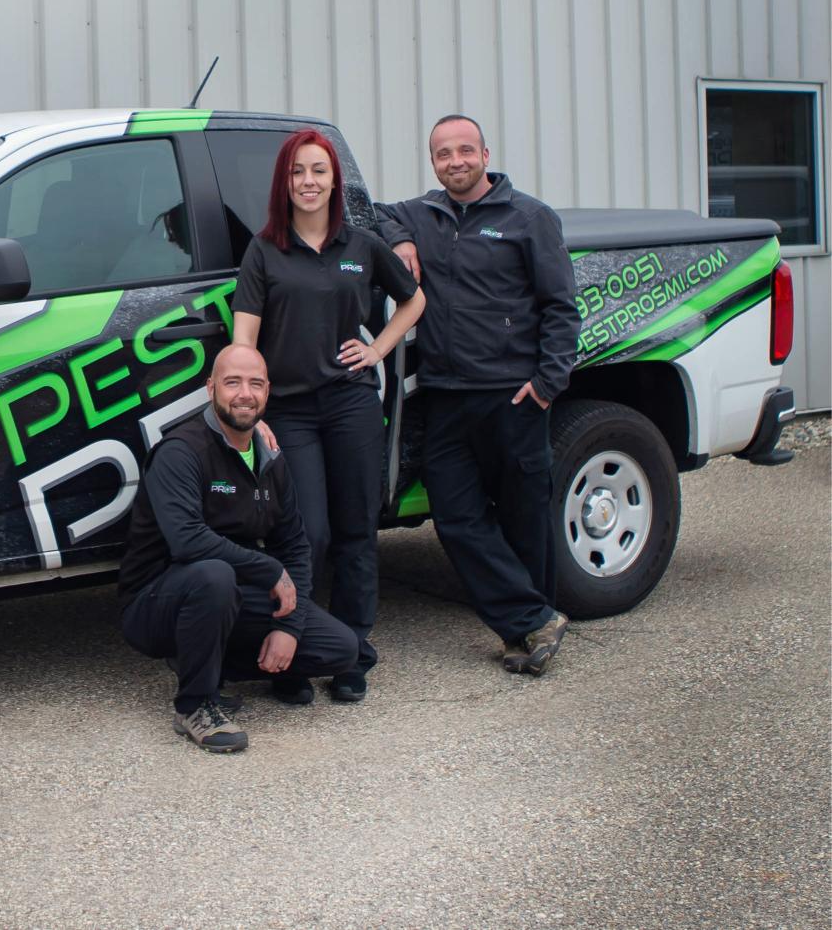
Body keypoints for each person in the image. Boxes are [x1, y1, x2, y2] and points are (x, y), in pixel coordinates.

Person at [377, 114, 581, 675]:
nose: (456, 162)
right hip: (445, 395)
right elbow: (375, 212)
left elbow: (561, 307)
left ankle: (525, 635)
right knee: (455, 515)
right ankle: (535, 618)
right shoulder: (422, 214)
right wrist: (400, 239)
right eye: (443, 154)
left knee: (524, 518)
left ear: (486, 155)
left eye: (465, 150)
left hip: (513, 396)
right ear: (433, 162)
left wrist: (547, 384)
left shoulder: (529, 217)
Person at [231, 129, 425, 705]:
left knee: (356, 531)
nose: (308, 182)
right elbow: (244, 342)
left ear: (335, 180)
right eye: (297, 172)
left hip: (350, 404)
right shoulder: (264, 250)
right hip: (289, 412)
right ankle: (296, 650)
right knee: (306, 534)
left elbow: (414, 299)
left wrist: (379, 348)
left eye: (318, 170)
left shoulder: (361, 245)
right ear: (283, 182)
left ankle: (352, 652)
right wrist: (253, 410)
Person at [118, 344, 359, 753]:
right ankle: (195, 704)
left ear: (267, 391)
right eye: (232, 383)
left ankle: (205, 661)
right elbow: (188, 540)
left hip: (228, 594)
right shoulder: (181, 451)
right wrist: (269, 571)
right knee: (214, 575)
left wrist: (287, 628)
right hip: (157, 602)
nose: (245, 394)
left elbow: (294, 545)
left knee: (340, 649)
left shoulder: (270, 458)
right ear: (210, 388)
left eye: (255, 384)